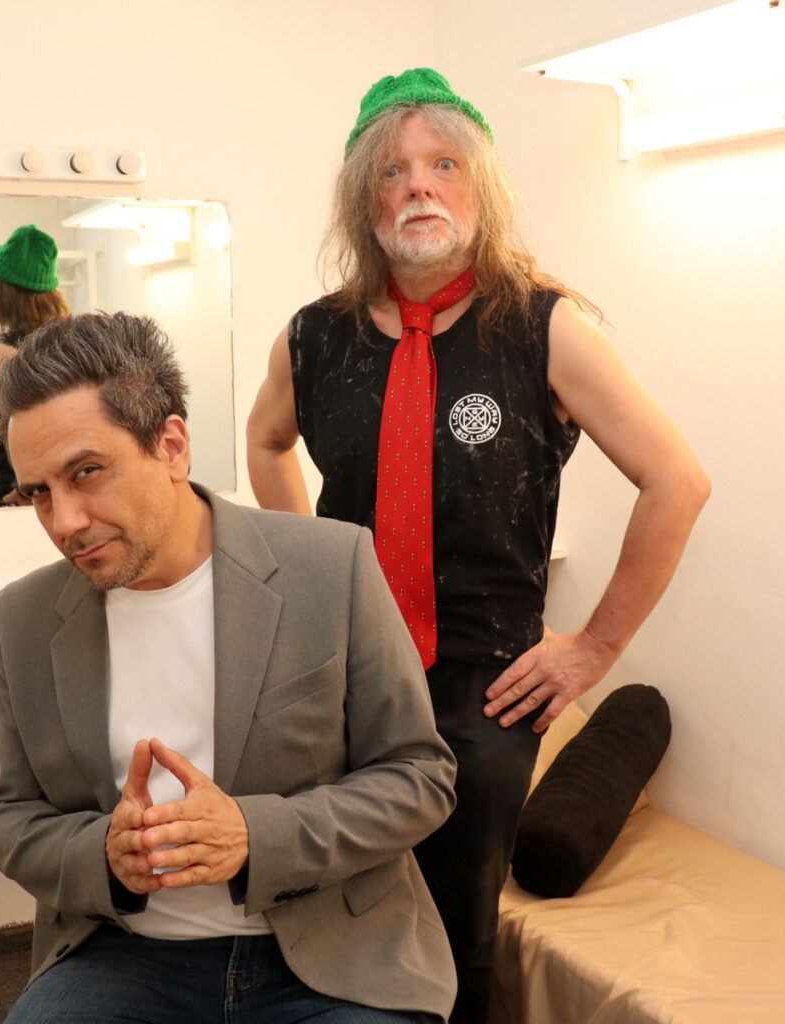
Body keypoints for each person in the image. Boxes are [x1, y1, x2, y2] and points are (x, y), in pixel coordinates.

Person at [246, 68, 710, 1023]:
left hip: (487, 687)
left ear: (478, 185)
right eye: (392, 171)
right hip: (349, 669)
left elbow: (678, 481)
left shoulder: (545, 328)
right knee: (336, 909)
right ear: (363, 197)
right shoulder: (314, 339)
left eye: (443, 165)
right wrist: (309, 572)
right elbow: (265, 441)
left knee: (458, 936)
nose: (418, 186)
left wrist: (594, 649)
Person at [0, 311, 460, 1024]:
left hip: (331, 951)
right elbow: (7, 818)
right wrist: (101, 853)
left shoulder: (331, 567)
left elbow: (420, 777)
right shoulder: (23, 618)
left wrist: (254, 835)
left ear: (172, 446)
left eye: (87, 472)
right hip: (124, 956)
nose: (65, 522)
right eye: (39, 493)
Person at [0, 223, 70, 506]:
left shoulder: (2, 351)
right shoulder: (69, 343)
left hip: (23, 489)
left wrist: (23, 492)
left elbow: (40, 418)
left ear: (1, 295)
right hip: (60, 484)